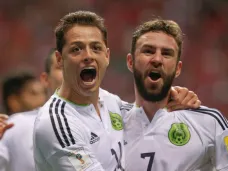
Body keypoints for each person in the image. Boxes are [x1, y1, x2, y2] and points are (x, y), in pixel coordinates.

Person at [33, 11, 201, 171]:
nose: (88, 56)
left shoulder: (111, 103)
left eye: (96, 48)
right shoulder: (56, 123)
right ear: (60, 59)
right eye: (76, 49)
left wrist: (173, 96)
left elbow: (144, 113)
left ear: (107, 56)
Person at [123, 19, 228, 171]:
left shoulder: (209, 123)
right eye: (148, 51)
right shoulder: (110, 122)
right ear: (130, 62)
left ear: (178, 68)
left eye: (166, 54)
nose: (157, 59)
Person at [0, 48, 62, 171]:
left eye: (42, 93)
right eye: (33, 93)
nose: (41, 98)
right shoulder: (14, 127)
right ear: (14, 101)